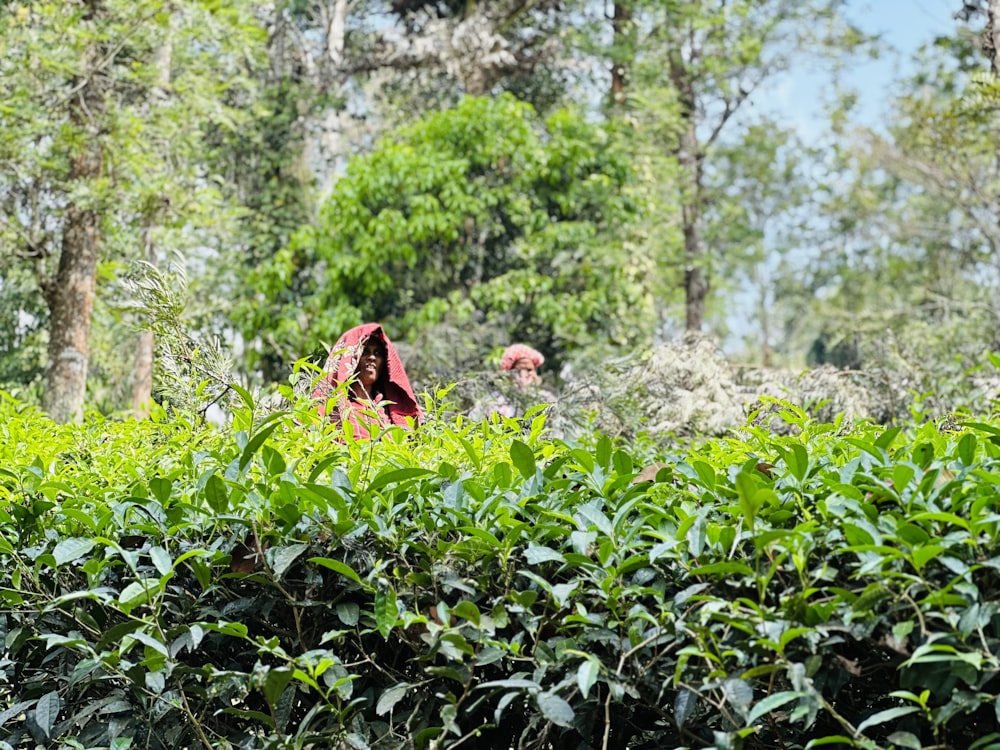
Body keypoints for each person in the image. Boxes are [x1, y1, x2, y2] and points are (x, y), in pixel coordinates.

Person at [312, 323, 421, 437]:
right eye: (365, 351)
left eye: (377, 353)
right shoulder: (337, 408)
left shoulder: (387, 410)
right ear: (350, 358)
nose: (372, 357)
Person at [470, 343, 556, 420]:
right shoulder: (493, 401)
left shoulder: (546, 399)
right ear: (509, 375)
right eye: (519, 370)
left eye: (529, 369)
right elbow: (473, 421)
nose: (525, 374)